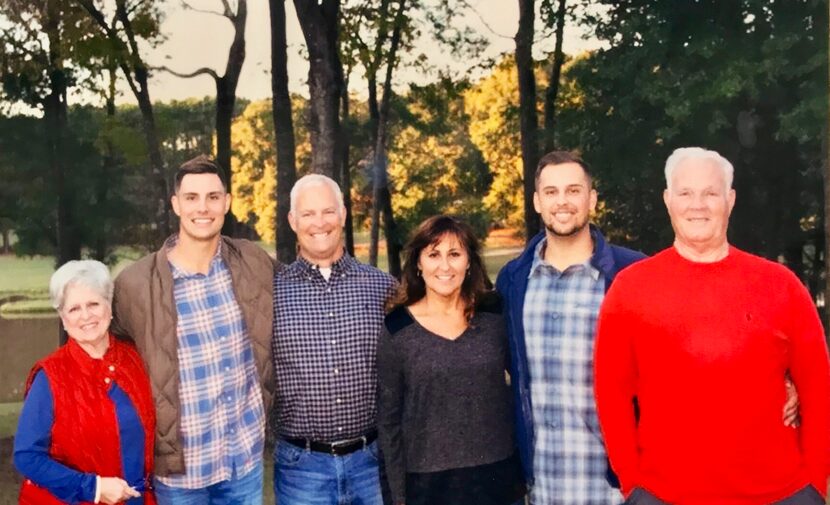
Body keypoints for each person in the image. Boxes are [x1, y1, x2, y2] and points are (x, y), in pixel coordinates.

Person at [594, 147, 830, 505]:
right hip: (665, 495)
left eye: (710, 193)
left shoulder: (780, 284)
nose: (697, 205)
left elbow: (818, 388)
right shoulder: (630, 289)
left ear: (730, 199)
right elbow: (611, 395)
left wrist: (814, 481)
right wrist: (634, 484)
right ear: (668, 200)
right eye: (686, 193)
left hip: (779, 494)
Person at [112, 155, 276, 504]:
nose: (203, 208)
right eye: (192, 198)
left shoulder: (254, 264)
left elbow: (302, 290)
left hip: (243, 463)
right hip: (179, 476)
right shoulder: (135, 285)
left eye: (213, 197)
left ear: (227, 203)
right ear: (176, 204)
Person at [495, 151, 645, 504]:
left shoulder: (632, 274)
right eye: (551, 192)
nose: (562, 201)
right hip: (542, 486)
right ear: (536, 201)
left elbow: (686, 351)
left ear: (591, 198)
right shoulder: (513, 281)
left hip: (614, 487)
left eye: (573, 190)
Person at [377, 215, 526, 505]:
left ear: (469, 262)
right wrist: (396, 496)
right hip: (428, 487)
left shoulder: (495, 315)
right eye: (434, 254)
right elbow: (389, 422)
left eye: (455, 254)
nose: (444, 266)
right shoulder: (397, 329)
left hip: (497, 481)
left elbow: (524, 387)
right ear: (418, 263)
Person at [271, 174, 397, 504]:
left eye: (328, 211)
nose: (319, 223)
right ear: (292, 220)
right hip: (301, 467)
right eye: (308, 214)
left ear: (342, 215)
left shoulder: (382, 288)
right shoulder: (271, 294)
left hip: (371, 460)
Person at [15, 260, 156, 505]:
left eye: (93, 304)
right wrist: (94, 487)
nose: (86, 316)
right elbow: (27, 456)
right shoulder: (50, 376)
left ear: (109, 307)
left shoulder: (136, 358)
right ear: (62, 317)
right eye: (74, 309)